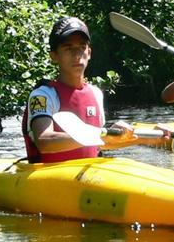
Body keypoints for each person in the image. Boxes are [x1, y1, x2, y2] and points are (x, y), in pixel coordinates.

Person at [23, 16, 134, 163]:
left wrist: (118, 135)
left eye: (82, 47)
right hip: (51, 176)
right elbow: (44, 141)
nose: (77, 56)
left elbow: (99, 144)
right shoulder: (42, 95)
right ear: (54, 56)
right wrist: (99, 134)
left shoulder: (96, 93)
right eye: (68, 48)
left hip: (88, 175)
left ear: (89, 52)